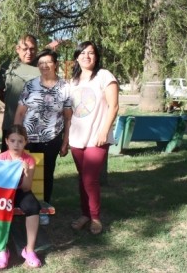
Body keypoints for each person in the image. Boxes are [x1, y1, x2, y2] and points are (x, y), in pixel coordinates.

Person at [13, 49, 72, 225]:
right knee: (24, 174)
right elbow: (20, 113)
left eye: (48, 62)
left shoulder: (65, 87)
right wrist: (17, 138)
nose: (44, 66)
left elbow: (68, 117)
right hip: (27, 140)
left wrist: (65, 141)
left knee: (46, 175)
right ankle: (25, 206)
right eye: (41, 63)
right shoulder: (30, 85)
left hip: (51, 139)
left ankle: (43, 208)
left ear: (56, 64)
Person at [68, 41, 119, 235]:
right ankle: (85, 214)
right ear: (77, 56)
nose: (86, 56)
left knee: (90, 179)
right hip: (76, 138)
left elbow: (113, 106)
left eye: (91, 53)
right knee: (82, 179)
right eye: (82, 52)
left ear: (96, 56)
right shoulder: (73, 81)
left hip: (97, 137)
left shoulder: (104, 76)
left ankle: (96, 217)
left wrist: (104, 131)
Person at [0, 125, 42, 268]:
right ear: (7, 141)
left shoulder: (29, 160)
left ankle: (29, 250)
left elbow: (27, 187)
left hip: (21, 191)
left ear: (25, 142)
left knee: (33, 206)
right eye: (13, 141)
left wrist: (26, 172)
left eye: (20, 141)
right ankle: (2, 250)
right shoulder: (1, 158)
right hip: (4, 191)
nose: (16, 144)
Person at [0, 34, 39, 152]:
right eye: (25, 49)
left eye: (32, 48)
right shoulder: (7, 66)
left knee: (34, 166)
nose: (29, 52)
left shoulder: (42, 66)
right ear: (17, 49)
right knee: (9, 165)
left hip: (36, 128)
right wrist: (14, 103)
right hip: (11, 125)